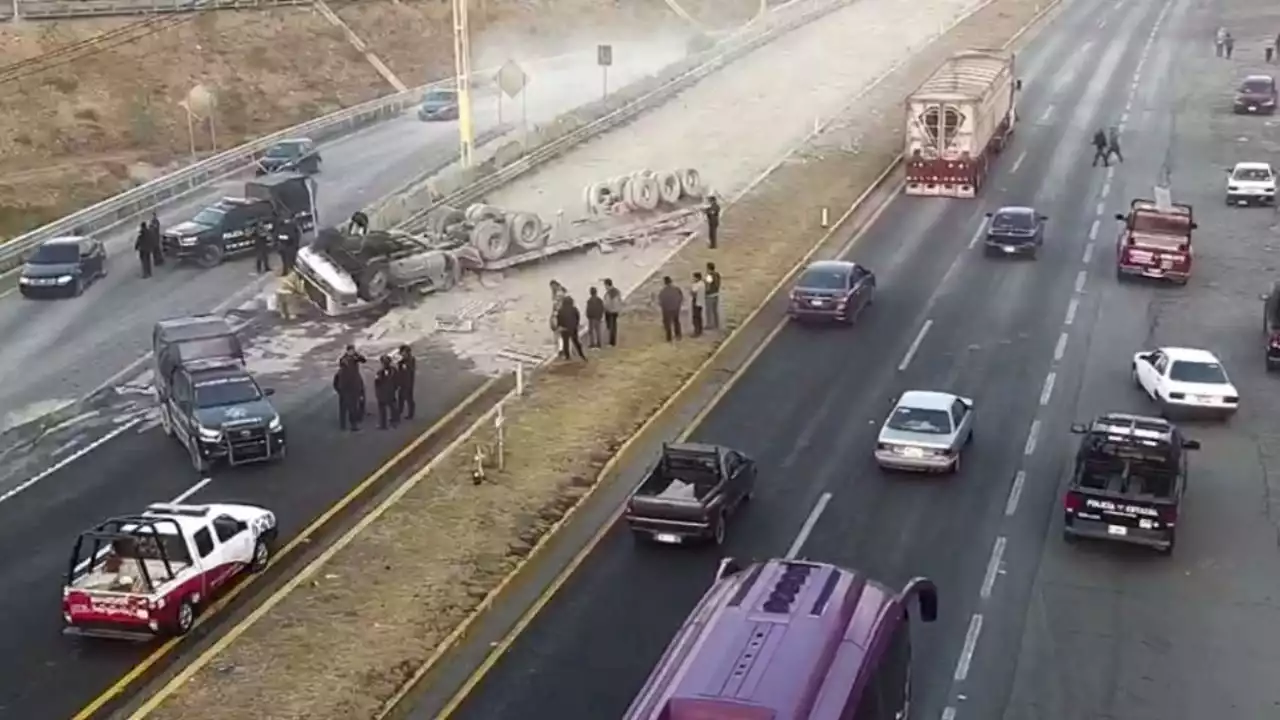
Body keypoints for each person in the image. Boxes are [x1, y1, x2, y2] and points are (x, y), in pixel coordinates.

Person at [333, 357, 364, 431]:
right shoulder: (351, 374)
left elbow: (335, 384)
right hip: (350, 393)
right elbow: (359, 383)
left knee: (344, 410)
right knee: (352, 409)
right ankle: (353, 425)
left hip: (345, 393)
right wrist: (360, 392)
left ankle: (343, 425)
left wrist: (339, 391)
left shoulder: (339, 373)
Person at [374, 355, 401, 429]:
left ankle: (383, 425)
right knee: (393, 406)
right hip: (391, 391)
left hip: (382, 393)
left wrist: (377, 393)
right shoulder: (394, 370)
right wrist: (395, 388)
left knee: (382, 409)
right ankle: (395, 421)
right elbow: (397, 380)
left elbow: (377, 383)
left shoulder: (380, 372)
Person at [556, 295, 586, 360]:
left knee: (565, 343)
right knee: (576, 341)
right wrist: (576, 324)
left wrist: (559, 326)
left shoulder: (561, 310)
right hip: (573, 328)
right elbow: (577, 317)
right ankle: (581, 354)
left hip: (564, 328)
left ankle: (567, 356)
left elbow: (559, 319)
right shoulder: (574, 309)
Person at [658, 275, 683, 341]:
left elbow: (661, 301)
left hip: (667, 309)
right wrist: (678, 305)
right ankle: (678, 335)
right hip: (676, 308)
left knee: (667, 323)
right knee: (676, 321)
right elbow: (681, 297)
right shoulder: (676, 289)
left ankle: (669, 338)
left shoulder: (663, 291)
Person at [396, 344, 416, 420]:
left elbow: (409, 370)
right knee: (401, 398)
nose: (401, 354)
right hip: (402, 382)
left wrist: (402, 364)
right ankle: (399, 412)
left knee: (409, 398)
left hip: (408, 382)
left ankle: (410, 414)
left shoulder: (410, 360)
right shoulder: (403, 361)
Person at [602, 278, 623, 347]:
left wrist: (604, 308)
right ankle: (612, 341)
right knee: (613, 326)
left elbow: (607, 303)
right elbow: (620, 301)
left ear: (607, 285)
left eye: (605, 285)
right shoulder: (617, 292)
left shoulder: (609, 293)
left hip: (610, 311)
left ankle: (612, 342)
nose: (605, 287)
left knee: (611, 327)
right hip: (615, 311)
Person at [704, 262, 721, 331]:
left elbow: (708, 286)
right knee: (715, 310)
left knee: (709, 311)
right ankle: (716, 324)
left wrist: (705, 293)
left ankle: (709, 324)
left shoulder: (709, 276)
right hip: (716, 294)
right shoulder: (717, 274)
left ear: (708, 268)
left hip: (710, 295)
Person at [690, 271, 706, 338]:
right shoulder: (702, 284)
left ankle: (696, 331)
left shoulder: (696, 285)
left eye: (694, 277)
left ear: (697, 278)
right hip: (701, 301)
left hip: (696, 302)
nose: (693, 278)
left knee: (695, 317)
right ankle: (700, 330)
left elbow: (693, 293)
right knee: (699, 317)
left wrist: (691, 291)